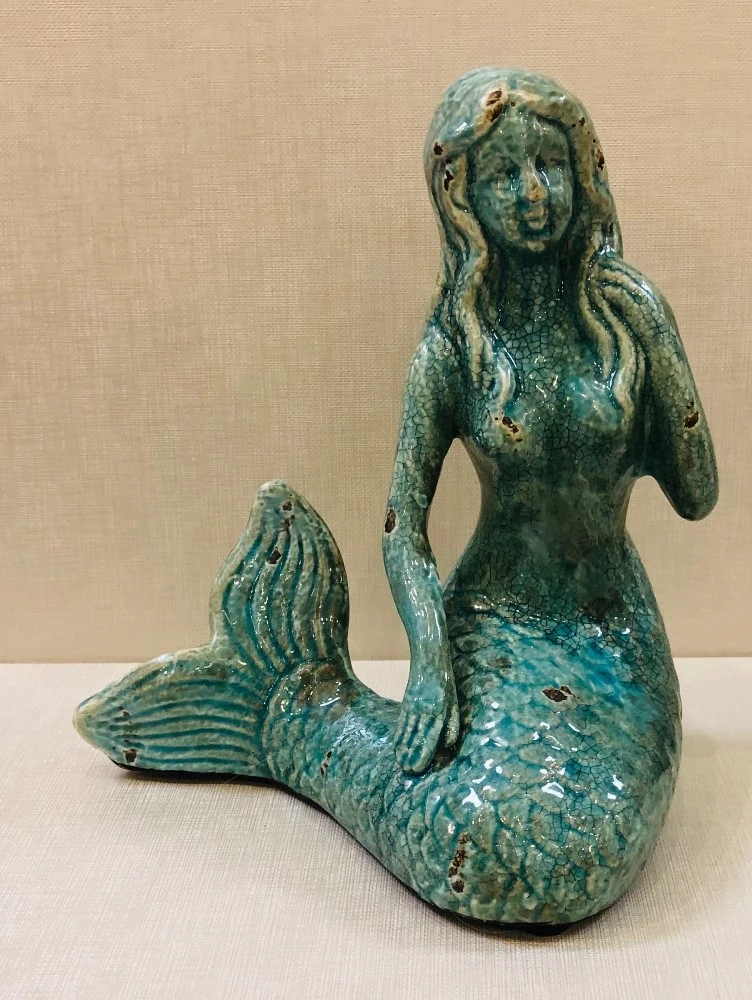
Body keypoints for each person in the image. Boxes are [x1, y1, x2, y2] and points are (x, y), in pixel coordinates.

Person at [75, 67, 718, 928]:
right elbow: (403, 526)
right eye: (503, 174)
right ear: (461, 198)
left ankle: (299, 709)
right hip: (495, 619)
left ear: (585, 173)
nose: (534, 195)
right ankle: (295, 710)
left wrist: (658, 336)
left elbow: (698, 494)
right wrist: (429, 666)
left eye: (550, 165)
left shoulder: (625, 323)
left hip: (611, 626)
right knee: (486, 839)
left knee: (574, 852)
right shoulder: (454, 350)